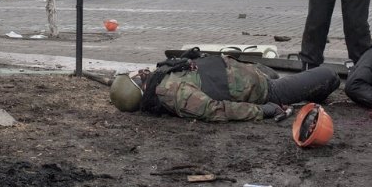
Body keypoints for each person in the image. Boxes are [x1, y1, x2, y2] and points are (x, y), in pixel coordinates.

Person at [110, 51, 340, 122]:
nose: (140, 71)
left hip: (251, 73)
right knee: (329, 76)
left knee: (277, 72)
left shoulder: (160, 77)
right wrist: (263, 110)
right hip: (263, 90)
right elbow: (215, 109)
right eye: (136, 76)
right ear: (140, 85)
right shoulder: (173, 94)